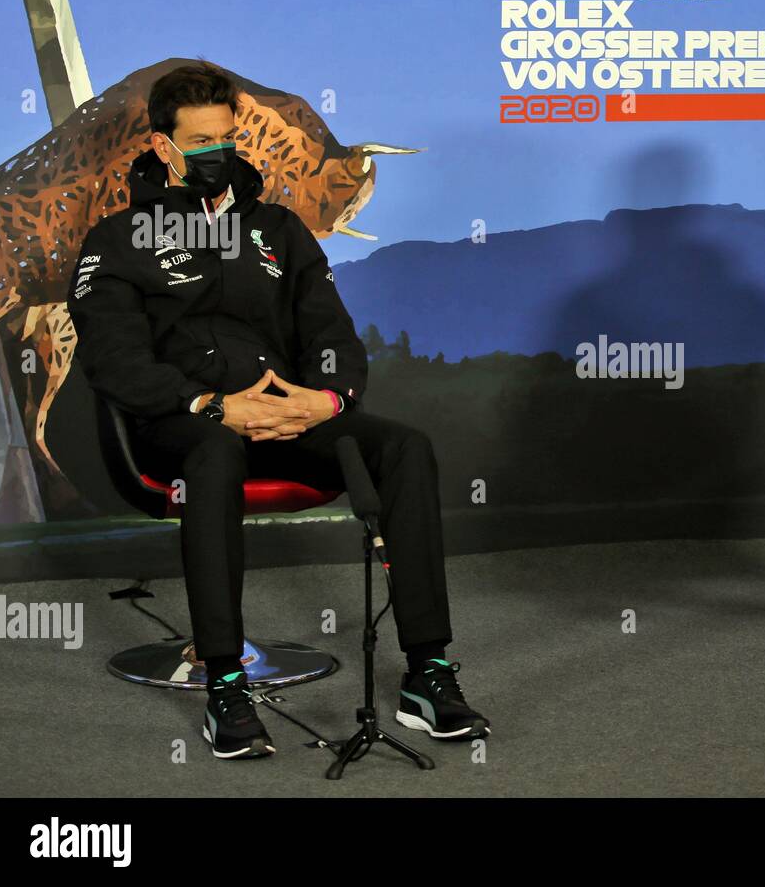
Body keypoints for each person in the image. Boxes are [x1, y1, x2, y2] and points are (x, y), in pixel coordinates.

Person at [68, 62, 489, 757]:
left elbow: (333, 337)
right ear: (165, 147)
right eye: (200, 142)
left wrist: (321, 400)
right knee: (214, 449)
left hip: (287, 416)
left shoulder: (279, 230)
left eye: (226, 138)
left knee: (404, 446)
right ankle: (225, 681)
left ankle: (427, 671)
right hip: (180, 426)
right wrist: (207, 404)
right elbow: (113, 361)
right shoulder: (119, 239)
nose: (218, 154)